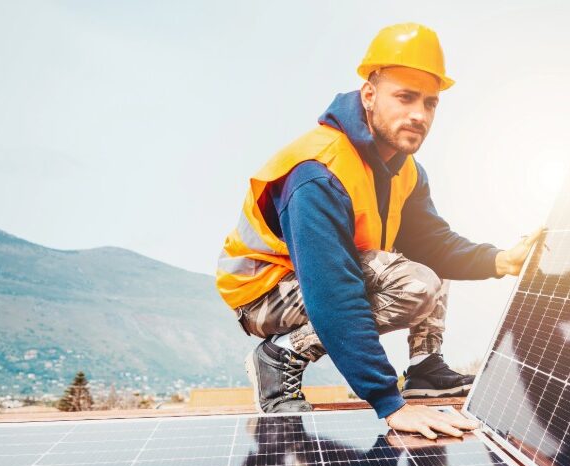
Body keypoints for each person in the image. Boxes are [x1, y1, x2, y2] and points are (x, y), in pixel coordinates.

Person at [215, 22, 542, 437]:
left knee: (425, 265)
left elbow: (431, 243)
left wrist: (501, 260)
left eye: (430, 103)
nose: (419, 115)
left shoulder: (405, 169)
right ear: (369, 95)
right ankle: (279, 355)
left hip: (326, 275)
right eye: (405, 97)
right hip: (265, 292)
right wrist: (388, 402)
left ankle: (425, 368)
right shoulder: (318, 173)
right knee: (416, 282)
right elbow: (333, 292)